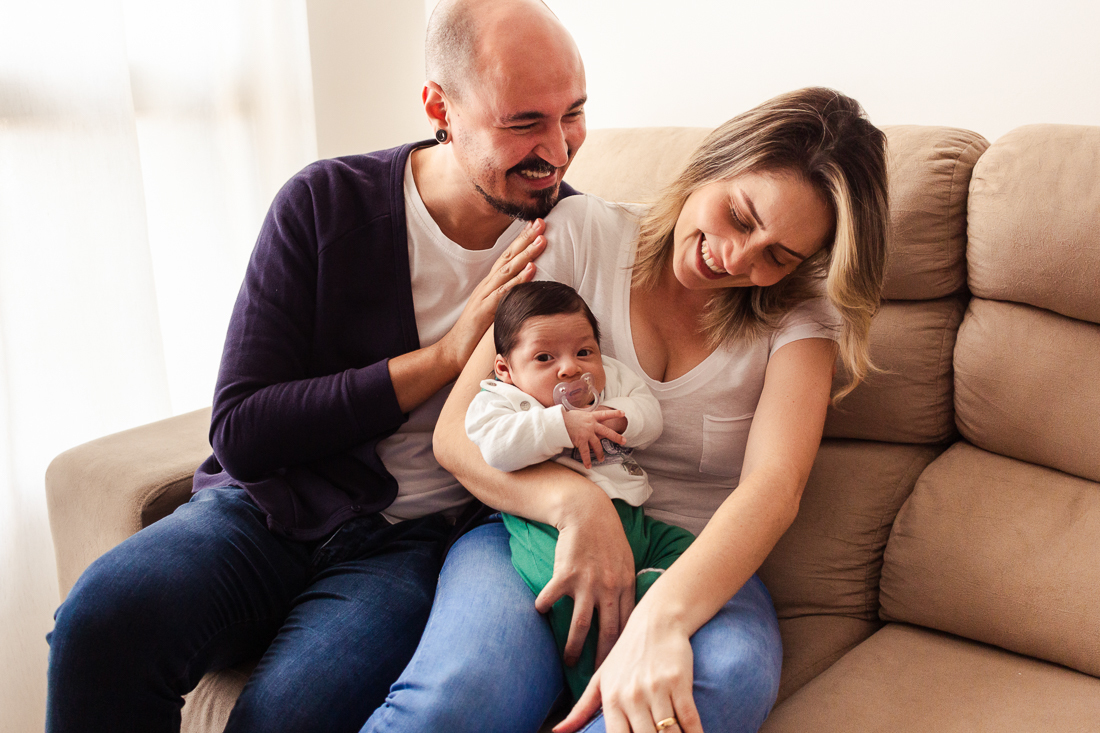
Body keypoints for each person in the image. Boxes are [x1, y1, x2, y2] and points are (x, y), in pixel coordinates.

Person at [44, 1, 587, 731]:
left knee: (286, 716)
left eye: (574, 114)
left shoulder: (578, 239)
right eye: (524, 122)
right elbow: (241, 428)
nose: (557, 150)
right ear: (439, 106)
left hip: (412, 547)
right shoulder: (325, 204)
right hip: (265, 512)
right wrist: (444, 357)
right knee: (101, 621)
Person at [420, 86, 890, 733]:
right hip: (532, 533)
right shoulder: (578, 233)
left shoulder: (800, 318)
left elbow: (774, 487)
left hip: (687, 559)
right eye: (741, 216)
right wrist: (580, 505)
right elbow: (456, 435)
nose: (737, 258)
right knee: (458, 696)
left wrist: (661, 617)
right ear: (714, 164)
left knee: (714, 688)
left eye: (777, 256)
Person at [465, 281, 696, 701]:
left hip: (632, 516)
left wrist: (622, 418)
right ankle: (590, 694)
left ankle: (649, 589)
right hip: (550, 531)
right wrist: (559, 425)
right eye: (544, 358)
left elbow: (651, 413)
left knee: (692, 553)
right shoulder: (499, 400)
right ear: (505, 370)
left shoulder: (611, 381)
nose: (570, 368)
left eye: (584, 352)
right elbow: (495, 448)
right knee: (574, 600)